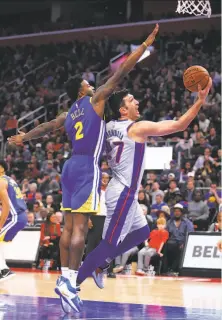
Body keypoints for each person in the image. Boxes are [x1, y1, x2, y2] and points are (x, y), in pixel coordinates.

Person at [8, 24, 160, 313]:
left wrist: (24, 137)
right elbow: (121, 72)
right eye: (88, 83)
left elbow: (46, 126)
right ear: (82, 89)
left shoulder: (68, 114)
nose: (92, 84)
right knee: (79, 228)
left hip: (68, 166)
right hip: (88, 166)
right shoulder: (96, 100)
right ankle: (70, 281)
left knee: (68, 226)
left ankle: (65, 278)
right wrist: (142, 48)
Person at [75, 75, 212, 294]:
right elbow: (180, 124)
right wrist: (200, 99)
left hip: (119, 188)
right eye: (131, 100)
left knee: (141, 232)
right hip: (123, 193)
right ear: (123, 110)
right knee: (109, 244)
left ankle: (99, 263)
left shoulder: (108, 125)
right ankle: (74, 281)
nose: (136, 102)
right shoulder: (136, 128)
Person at [0, 160, 28, 281]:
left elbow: (6, 206)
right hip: (20, 216)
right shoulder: (9, 180)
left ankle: (4, 270)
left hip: (15, 217)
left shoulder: (1, 182)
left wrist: (0, 225)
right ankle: (3, 270)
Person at [162, 204, 194, 275]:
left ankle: (174, 270)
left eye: (178, 211)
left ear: (181, 212)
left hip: (182, 243)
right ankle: (165, 270)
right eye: (175, 211)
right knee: (165, 246)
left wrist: (184, 244)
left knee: (180, 249)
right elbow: (165, 233)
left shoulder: (187, 223)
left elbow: (190, 235)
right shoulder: (169, 222)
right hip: (170, 242)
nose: (177, 213)